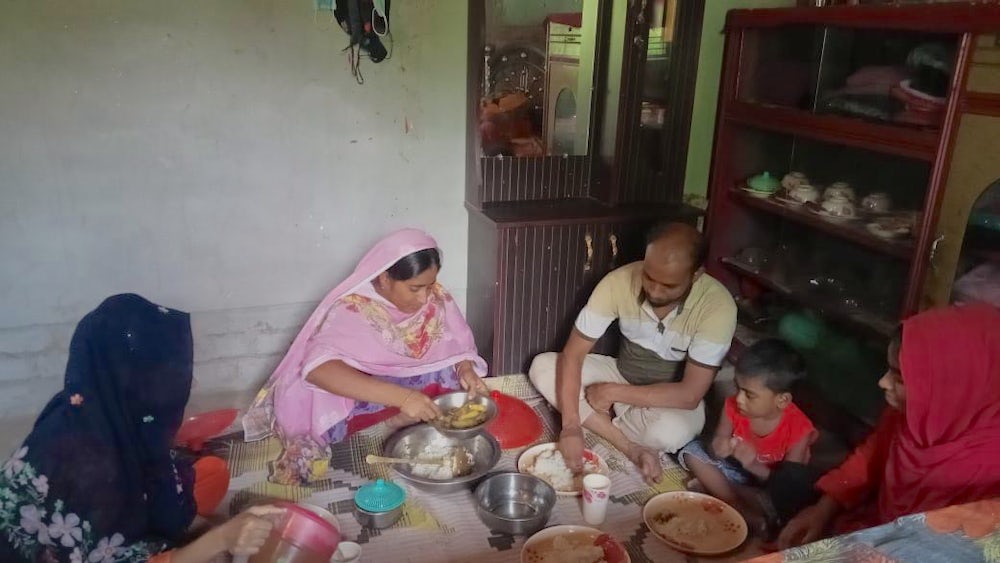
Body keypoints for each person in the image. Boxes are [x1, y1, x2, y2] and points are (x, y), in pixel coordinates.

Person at [242, 228, 488, 485]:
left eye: (430, 286)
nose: (425, 297)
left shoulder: (433, 295)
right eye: (415, 288)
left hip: (403, 383)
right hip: (372, 390)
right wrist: (403, 397)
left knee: (451, 381)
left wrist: (465, 369)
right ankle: (389, 422)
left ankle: (401, 418)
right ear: (383, 278)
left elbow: (455, 343)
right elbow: (319, 370)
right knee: (328, 400)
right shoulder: (354, 308)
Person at [0, 294, 230, 562]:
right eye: (168, 374)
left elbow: (157, 481)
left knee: (212, 475)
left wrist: (216, 531)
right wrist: (221, 539)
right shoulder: (81, 465)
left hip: (109, 517)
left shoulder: (104, 410)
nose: (190, 383)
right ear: (132, 377)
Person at [778, 303, 1000, 549]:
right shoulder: (911, 415)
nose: (882, 382)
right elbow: (869, 458)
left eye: (898, 378)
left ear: (952, 389)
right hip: (876, 524)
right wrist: (823, 509)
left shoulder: (988, 476)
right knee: (789, 481)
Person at [528, 222, 737, 483]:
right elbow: (573, 354)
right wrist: (570, 426)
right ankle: (629, 444)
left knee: (671, 433)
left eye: (669, 285)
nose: (654, 290)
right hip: (620, 372)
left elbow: (689, 395)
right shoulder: (619, 281)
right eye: (649, 277)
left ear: (696, 275)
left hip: (668, 395)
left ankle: (599, 416)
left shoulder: (717, 306)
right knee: (543, 366)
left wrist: (611, 392)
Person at [678, 339, 818, 533]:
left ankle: (720, 493)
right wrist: (719, 447)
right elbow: (716, 444)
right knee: (693, 452)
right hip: (736, 474)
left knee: (794, 501)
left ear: (782, 400)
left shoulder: (800, 430)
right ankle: (737, 507)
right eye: (738, 388)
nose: (739, 399)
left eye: (749, 395)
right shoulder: (732, 407)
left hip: (770, 485)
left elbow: (790, 486)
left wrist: (753, 465)